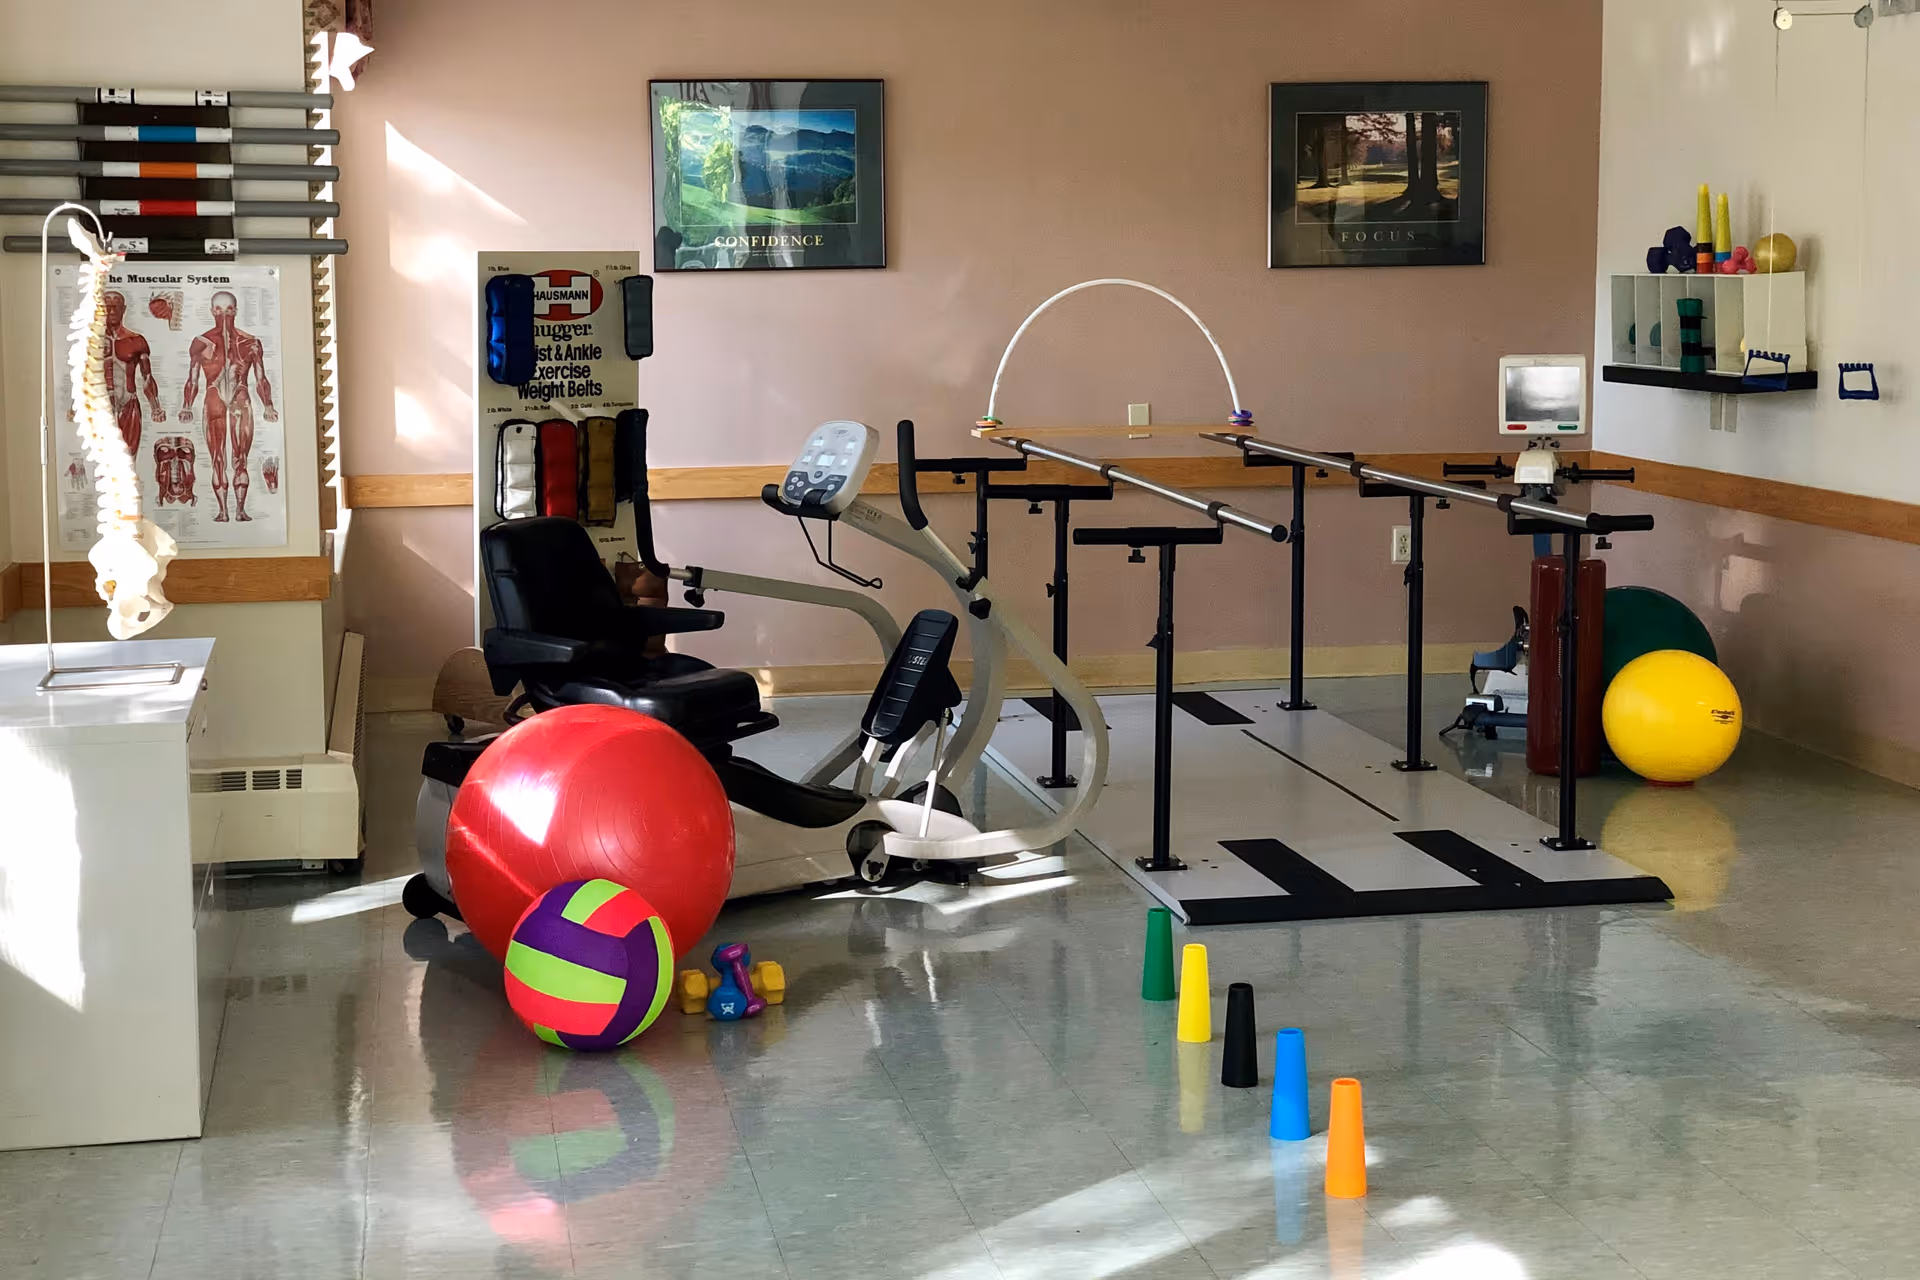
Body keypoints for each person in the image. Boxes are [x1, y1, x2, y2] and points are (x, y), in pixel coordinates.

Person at [179, 290, 277, 522]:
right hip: (213, 399)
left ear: (236, 311)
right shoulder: (201, 343)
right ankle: (223, 511)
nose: (224, 314)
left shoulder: (251, 343)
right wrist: (186, 405)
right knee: (217, 459)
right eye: (219, 309)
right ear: (212, 311)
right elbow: (193, 378)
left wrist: (268, 405)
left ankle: (240, 510)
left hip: (240, 398)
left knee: (240, 457)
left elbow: (260, 377)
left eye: (229, 309)